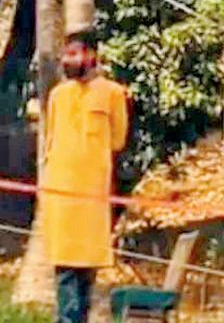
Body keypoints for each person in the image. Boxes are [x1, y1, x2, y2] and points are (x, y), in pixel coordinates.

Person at [42, 28, 129, 323]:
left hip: (92, 198)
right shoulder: (57, 96)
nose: (68, 60)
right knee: (66, 275)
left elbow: (118, 140)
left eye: (74, 54)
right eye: (66, 55)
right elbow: (51, 140)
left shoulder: (113, 93)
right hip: (61, 197)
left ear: (92, 56)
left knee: (85, 277)